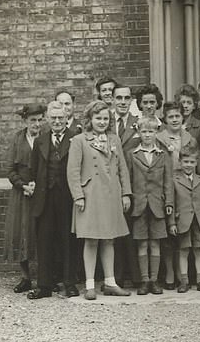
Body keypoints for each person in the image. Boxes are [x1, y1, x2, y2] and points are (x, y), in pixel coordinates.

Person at [67, 100, 132, 300]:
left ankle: (110, 282)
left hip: (111, 195)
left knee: (109, 239)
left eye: (105, 118)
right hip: (90, 196)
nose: (102, 122)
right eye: (98, 118)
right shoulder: (79, 140)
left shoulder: (114, 140)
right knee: (92, 239)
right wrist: (78, 195)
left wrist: (126, 193)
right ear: (90, 119)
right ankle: (89, 285)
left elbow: (122, 168)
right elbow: (73, 171)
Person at [28, 102, 79, 299]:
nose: (57, 121)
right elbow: (33, 170)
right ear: (47, 119)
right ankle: (44, 285)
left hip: (67, 196)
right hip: (45, 197)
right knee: (45, 241)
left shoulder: (76, 138)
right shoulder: (40, 141)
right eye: (53, 118)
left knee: (68, 240)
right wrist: (32, 185)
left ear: (67, 117)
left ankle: (70, 283)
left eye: (61, 117)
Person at [126, 117, 174, 295]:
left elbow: (168, 181)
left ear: (156, 133)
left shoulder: (163, 154)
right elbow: (128, 179)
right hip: (139, 204)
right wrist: (129, 199)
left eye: (151, 131)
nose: (147, 135)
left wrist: (168, 202)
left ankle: (154, 280)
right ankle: (144, 280)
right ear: (139, 133)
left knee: (155, 243)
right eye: (144, 131)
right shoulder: (132, 154)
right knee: (141, 243)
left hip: (157, 204)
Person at [156, 101, 200, 289]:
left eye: (177, 116)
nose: (174, 119)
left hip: (184, 187)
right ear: (165, 120)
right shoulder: (160, 138)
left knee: (184, 232)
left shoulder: (190, 138)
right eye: (170, 117)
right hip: (166, 185)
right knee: (168, 233)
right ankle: (170, 273)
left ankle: (187, 275)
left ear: (183, 118)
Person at [5, 104, 45, 293]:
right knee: (22, 232)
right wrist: (23, 186)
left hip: (42, 192)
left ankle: (46, 276)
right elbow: (10, 171)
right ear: (25, 121)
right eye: (32, 120)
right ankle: (25, 277)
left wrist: (38, 185)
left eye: (39, 120)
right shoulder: (17, 139)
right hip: (22, 194)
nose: (37, 124)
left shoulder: (46, 138)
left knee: (42, 232)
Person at [170, 145, 200, 293]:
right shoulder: (174, 180)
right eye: (185, 162)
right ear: (180, 162)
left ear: (196, 163)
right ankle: (184, 281)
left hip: (199, 221)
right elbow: (172, 202)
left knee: (199, 251)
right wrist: (172, 223)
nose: (188, 165)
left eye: (191, 162)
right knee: (183, 251)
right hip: (182, 221)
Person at [110, 84, 141, 287]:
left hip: (133, 184)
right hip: (110, 185)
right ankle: (116, 276)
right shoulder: (105, 122)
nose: (122, 102)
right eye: (119, 98)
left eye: (126, 98)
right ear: (112, 100)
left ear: (131, 101)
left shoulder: (138, 124)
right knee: (113, 232)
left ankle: (136, 276)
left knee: (131, 231)